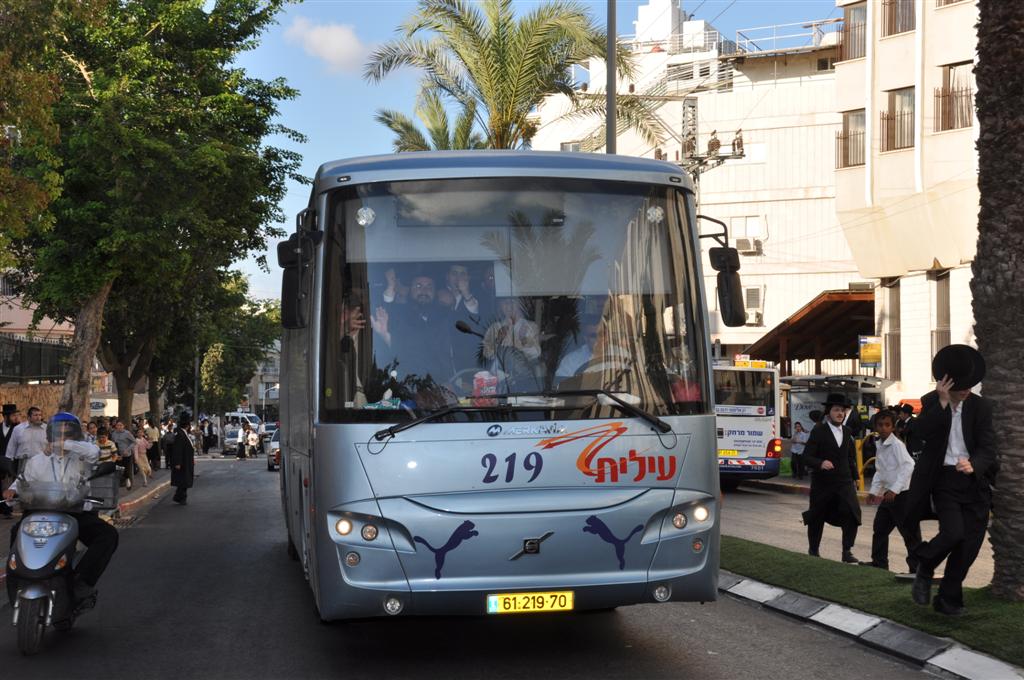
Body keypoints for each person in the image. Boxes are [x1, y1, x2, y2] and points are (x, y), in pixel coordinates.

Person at [905, 345, 997, 616]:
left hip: (974, 482)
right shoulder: (933, 402)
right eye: (960, 387)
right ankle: (925, 565)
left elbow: (988, 446)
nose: (966, 391)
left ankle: (948, 600)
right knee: (953, 533)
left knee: (968, 547)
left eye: (970, 386)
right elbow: (919, 433)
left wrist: (975, 464)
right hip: (944, 481)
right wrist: (943, 402)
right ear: (946, 384)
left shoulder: (981, 408)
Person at [3, 412, 119, 602]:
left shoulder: (83, 458)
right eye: (58, 434)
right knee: (16, 534)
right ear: (49, 436)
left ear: (76, 436)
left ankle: (81, 582)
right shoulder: (37, 460)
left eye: (68, 434)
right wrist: (11, 491)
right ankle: (16, 584)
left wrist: (63, 444)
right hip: (39, 512)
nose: (62, 438)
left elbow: (94, 452)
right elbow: (23, 480)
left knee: (108, 536)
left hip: (73, 512)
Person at [801, 393, 862, 563]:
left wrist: (856, 477)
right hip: (823, 483)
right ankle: (814, 550)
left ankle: (847, 551)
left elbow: (849, 457)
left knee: (852, 513)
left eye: (842, 410)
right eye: (836, 410)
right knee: (817, 515)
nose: (840, 413)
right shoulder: (819, 430)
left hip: (844, 481)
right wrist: (820, 463)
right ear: (829, 412)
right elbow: (807, 456)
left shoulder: (848, 431)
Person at [859, 409, 920, 573]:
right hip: (888, 495)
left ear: (893, 427)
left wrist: (895, 489)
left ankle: (917, 569)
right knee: (880, 528)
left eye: (887, 425)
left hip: (903, 495)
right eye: (880, 425)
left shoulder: (896, 445)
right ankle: (879, 563)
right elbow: (881, 470)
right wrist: (874, 491)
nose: (884, 428)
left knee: (909, 534)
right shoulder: (880, 444)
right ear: (876, 427)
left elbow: (909, 465)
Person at [371, 273, 456, 388]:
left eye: (429, 286)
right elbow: (406, 354)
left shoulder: (444, 317)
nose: (424, 291)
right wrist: (386, 336)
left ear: (435, 292)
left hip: (445, 387)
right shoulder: (399, 317)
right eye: (418, 286)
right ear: (409, 290)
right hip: (408, 388)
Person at [482, 297, 541, 390]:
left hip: (524, 381)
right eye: (504, 302)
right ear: (500, 306)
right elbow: (486, 355)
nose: (508, 305)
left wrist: (522, 339)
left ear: (519, 304)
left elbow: (536, 353)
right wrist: (498, 340)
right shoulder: (494, 328)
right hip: (498, 383)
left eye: (512, 301)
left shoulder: (531, 326)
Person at [169, 413, 195, 505]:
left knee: (184, 480)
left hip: (187, 460)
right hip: (183, 462)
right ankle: (181, 498)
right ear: (187, 425)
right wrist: (178, 462)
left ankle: (179, 497)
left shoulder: (184, 433)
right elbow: (178, 449)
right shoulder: (180, 434)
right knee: (183, 480)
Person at [0, 404, 18, 518]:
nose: (15, 417)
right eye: (13, 415)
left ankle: (7, 510)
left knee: (10, 485)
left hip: (11, 462)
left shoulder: (18, 429)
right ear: (5, 416)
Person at [111, 419, 136, 489]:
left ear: (123, 426)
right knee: (119, 468)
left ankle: (128, 480)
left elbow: (134, 442)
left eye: (120, 425)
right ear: (115, 426)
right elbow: (112, 443)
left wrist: (127, 450)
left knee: (126, 468)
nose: (119, 427)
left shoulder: (127, 433)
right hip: (118, 454)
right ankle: (121, 481)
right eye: (118, 425)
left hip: (126, 454)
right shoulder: (113, 434)